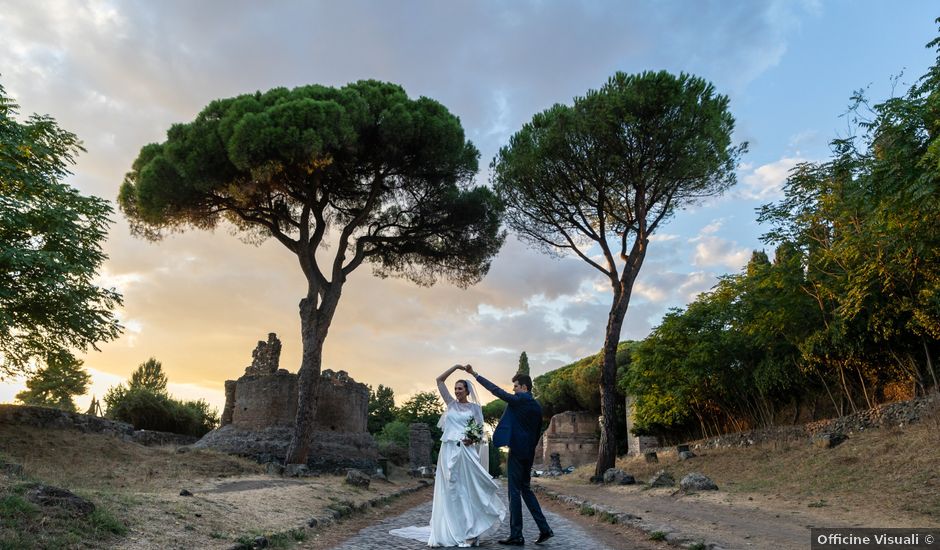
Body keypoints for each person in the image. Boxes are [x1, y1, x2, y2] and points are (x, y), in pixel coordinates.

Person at [389, 364, 505, 547]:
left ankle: (472, 531)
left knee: (468, 489)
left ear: (467, 390)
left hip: (465, 452)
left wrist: (471, 438)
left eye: (460, 388)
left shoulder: (475, 408)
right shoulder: (450, 404)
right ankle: (455, 529)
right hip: (448, 450)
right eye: (456, 389)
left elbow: (480, 430)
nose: (457, 391)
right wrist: (457, 367)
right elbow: (439, 380)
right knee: (451, 490)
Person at [466, 364, 554, 546]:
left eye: (515, 386)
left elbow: (495, 390)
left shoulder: (519, 400)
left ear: (524, 388)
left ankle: (517, 535)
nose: (513, 390)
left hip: (517, 452)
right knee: (526, 490)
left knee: (514, 492)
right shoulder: (537, 407)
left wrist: (475, 374)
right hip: (529, 453)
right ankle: (544, 529)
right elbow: (538, 431)